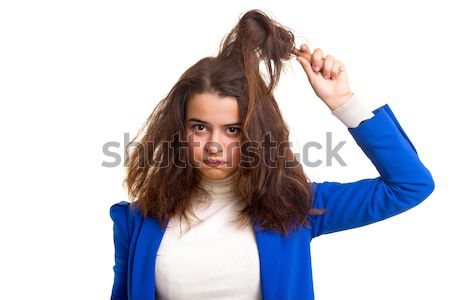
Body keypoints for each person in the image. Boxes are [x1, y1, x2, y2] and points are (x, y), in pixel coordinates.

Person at [109, 9, 435, 300]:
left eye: (232, 130)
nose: (213, 144)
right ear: (180, 130)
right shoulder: (136, 221)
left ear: (256, 135)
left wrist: (343, 102)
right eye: (199, 127)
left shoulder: (295, 208)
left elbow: (409, 185)